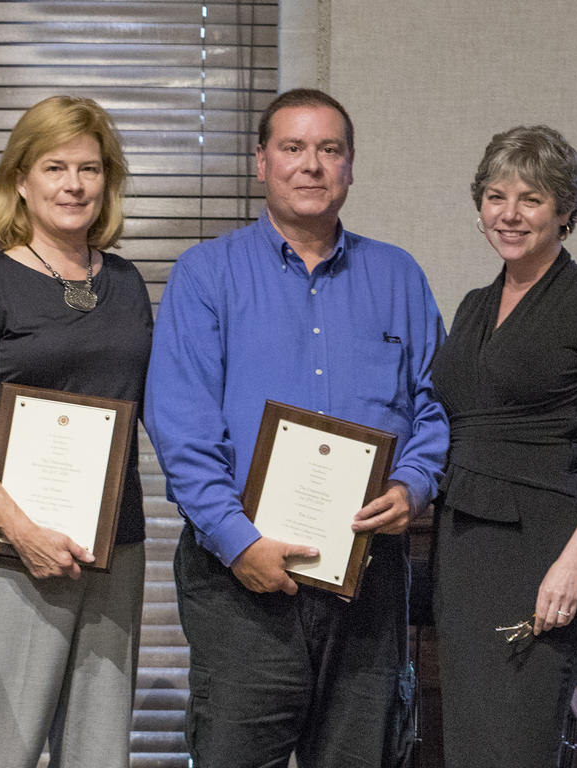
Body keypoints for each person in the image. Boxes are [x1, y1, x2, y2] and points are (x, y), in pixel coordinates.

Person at [143, 88, 448, 768]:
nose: (311, 165)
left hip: (367, 576)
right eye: (293, 148)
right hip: (239, 581)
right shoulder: (205, 275)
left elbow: (436, 407)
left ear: (350, 167)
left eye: (329, 150)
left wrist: (416, 483)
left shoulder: (398, 276)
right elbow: (181, 426)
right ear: (261, 162)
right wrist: (237, 541)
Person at [0, 96, 152, 766]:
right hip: (8, 559)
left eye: (89, 167)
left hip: (114, 553)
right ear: (20, 180)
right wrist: (22, 530)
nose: (74, 184)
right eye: (55, 166)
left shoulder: (129, 284)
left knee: (99, 753)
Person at [429, 125, 577, 767]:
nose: (510, 214)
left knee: (520, 746)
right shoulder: (472, 305)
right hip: (461, 546)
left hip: (543, 550)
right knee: (466, 745)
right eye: (496, 196)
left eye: (531, 198)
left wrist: (573, 565)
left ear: (565, 211)